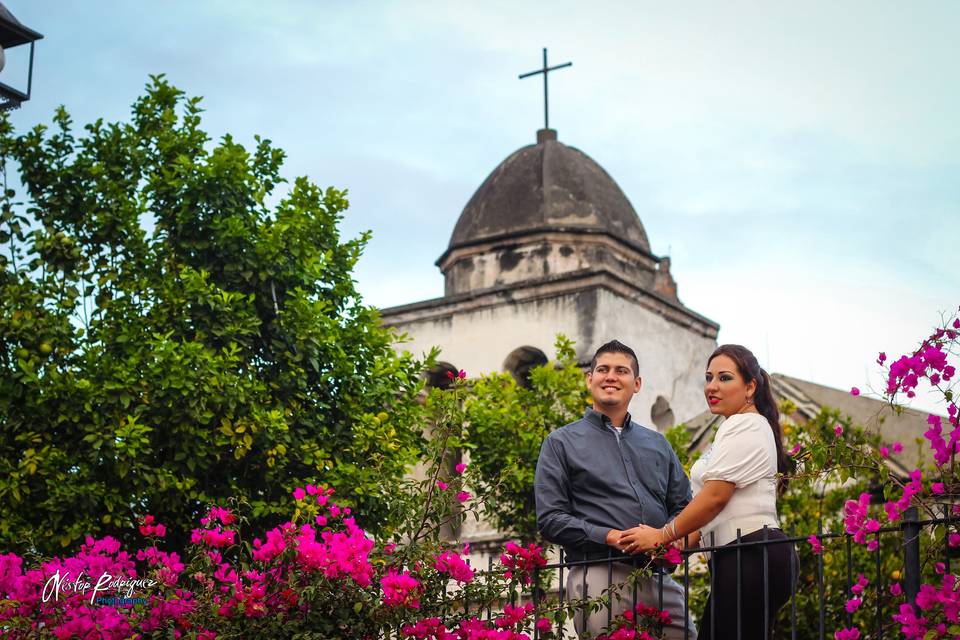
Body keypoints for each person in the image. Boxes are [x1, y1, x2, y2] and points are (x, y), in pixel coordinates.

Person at [625, 344, 797, 640]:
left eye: (724, 378)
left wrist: (661, 535)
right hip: (740, 554)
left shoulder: (746, 425)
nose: (712, 386)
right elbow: (705, 516)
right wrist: (669, 547)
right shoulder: (733, 428)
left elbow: (716, 497)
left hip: (752, 552)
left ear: (750, 387)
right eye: (708, 377)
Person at [535, 340, 698, 639]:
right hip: (600, 574)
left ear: (636, 384)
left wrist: (668, 544)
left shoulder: (658, 444)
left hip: (659, 575)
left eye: (621, 370)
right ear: (589, 379)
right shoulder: (560, 443)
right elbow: (550, 518)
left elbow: (684, 507)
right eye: (603, 369)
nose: (611, 376)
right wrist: (612, 537)